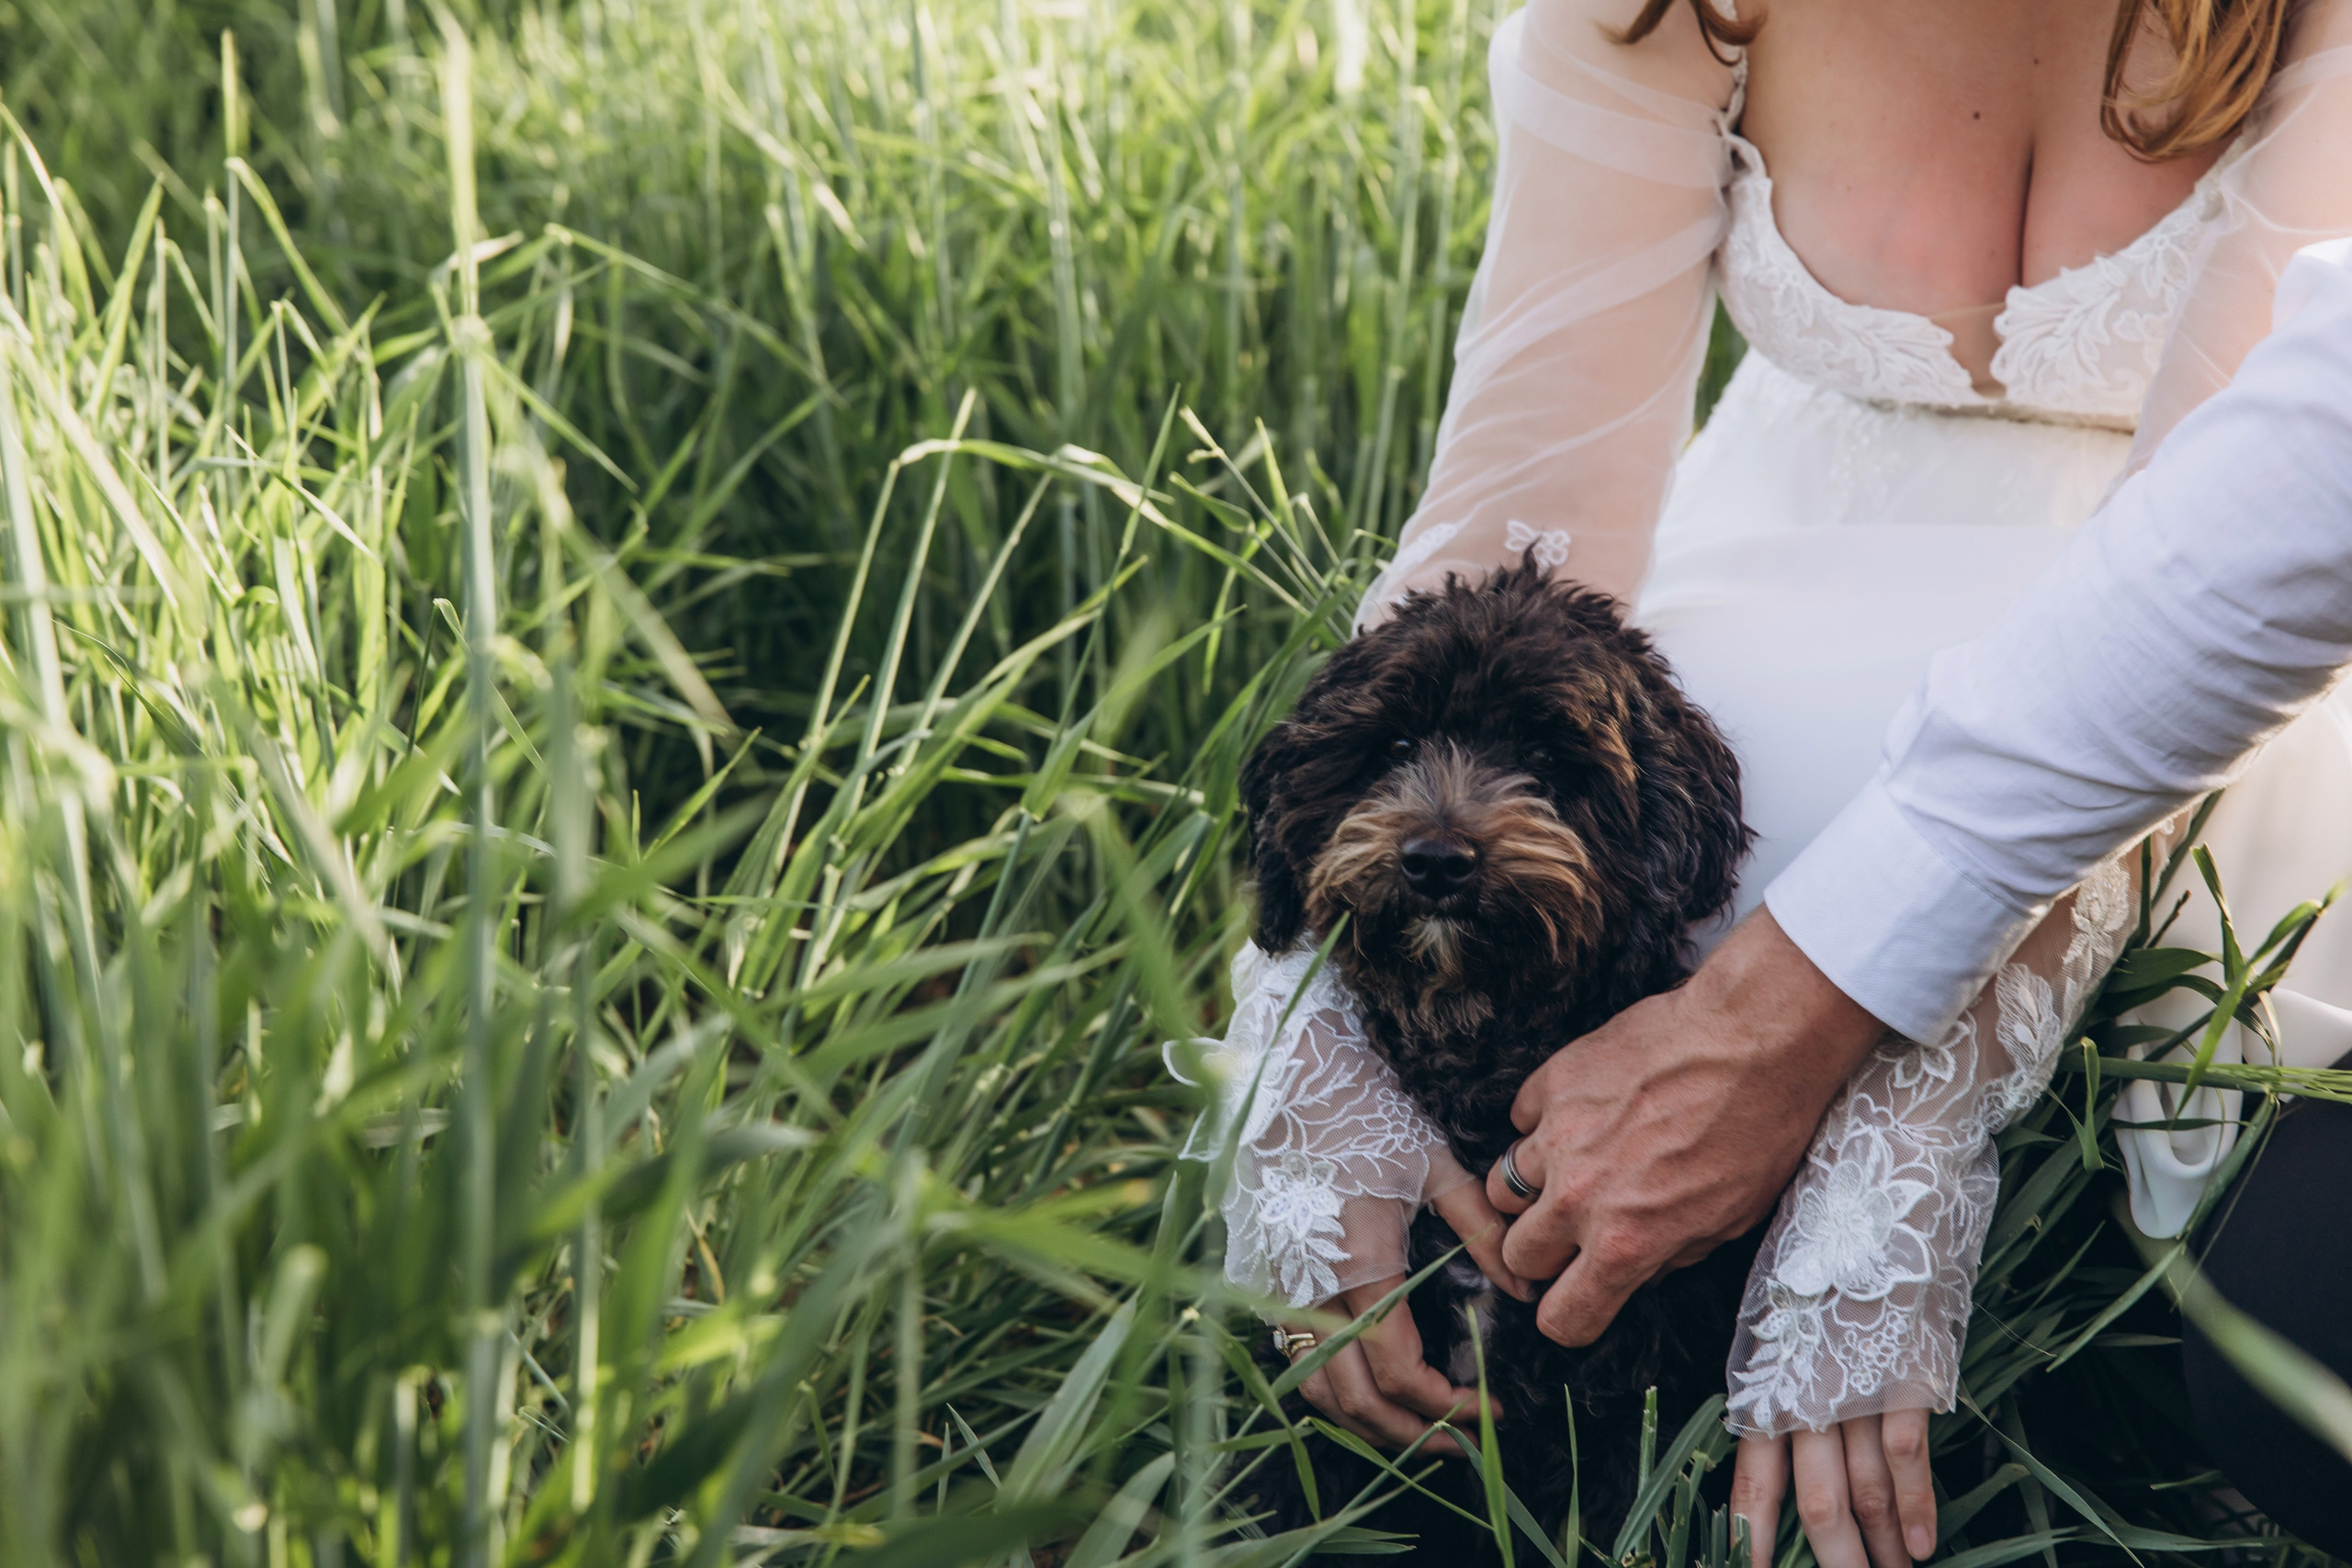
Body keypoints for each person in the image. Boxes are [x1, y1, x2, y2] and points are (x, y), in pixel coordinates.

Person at [1182, 0, 2352, 1562]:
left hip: (2232, 720)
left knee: (2242, 1300)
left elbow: (2227, 571)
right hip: (1765, 611)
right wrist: (1305, 1020)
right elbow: (1513, 513)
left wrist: (1905, 1101)